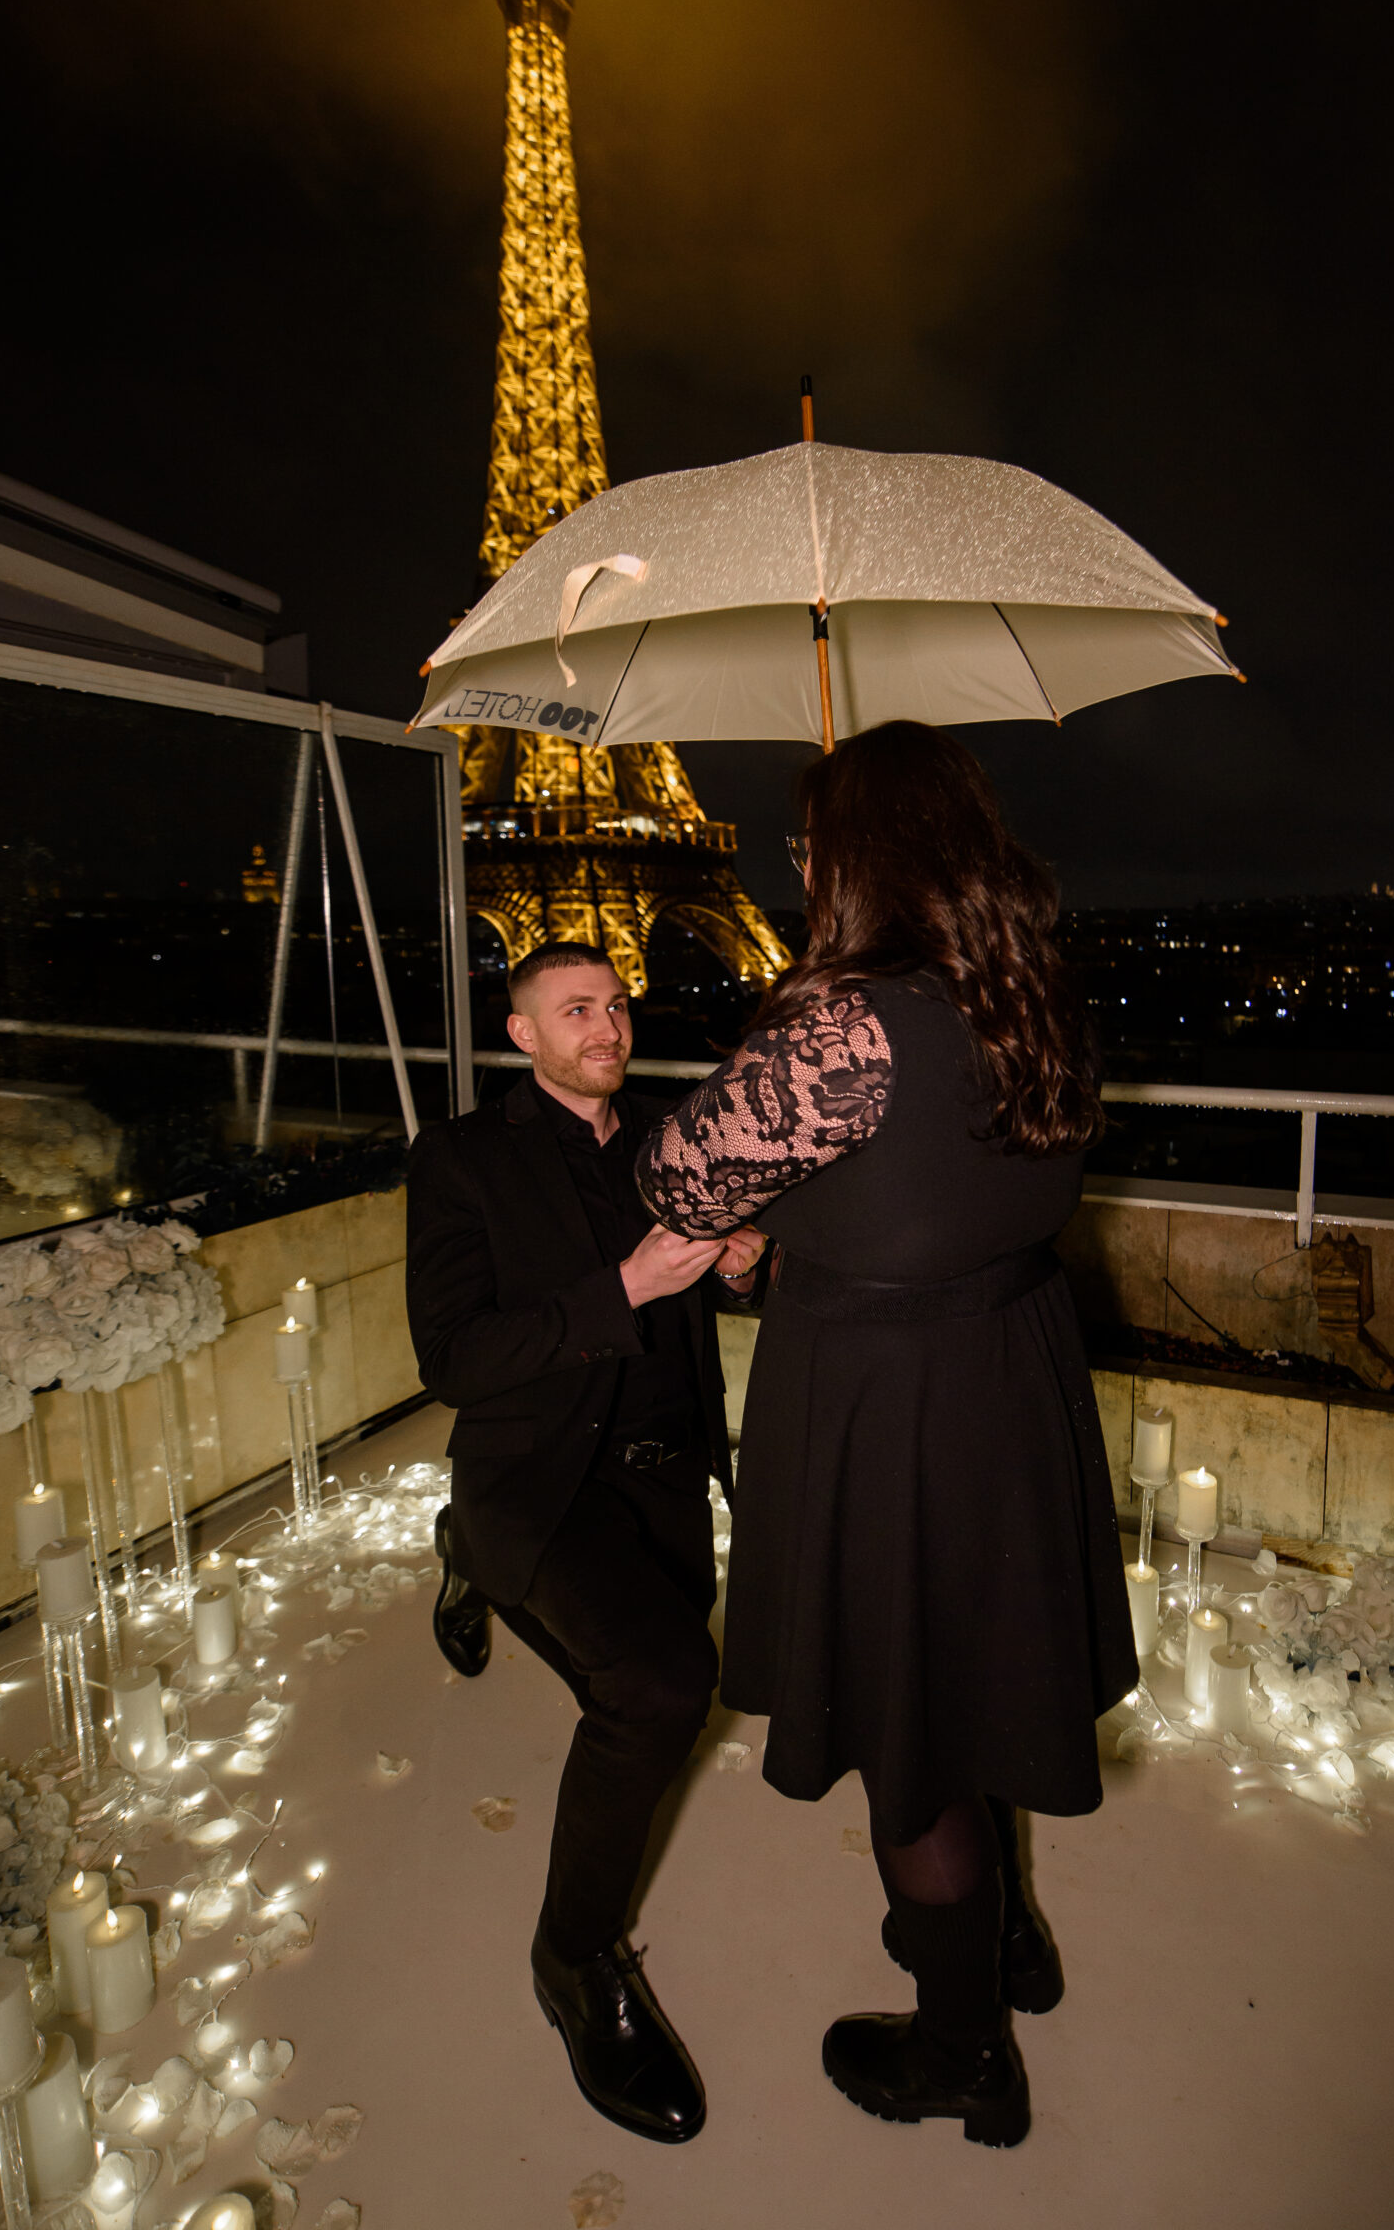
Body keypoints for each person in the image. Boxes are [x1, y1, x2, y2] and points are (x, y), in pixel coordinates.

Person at [636, 720, 1135, 2151]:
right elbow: (927, 1179)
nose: (798, 866)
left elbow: (679, 1177)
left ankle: (964, 2051)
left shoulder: (842, 1030)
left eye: (812, 845)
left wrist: (773, 1040)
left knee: (905, 1727)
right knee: (969, 1672)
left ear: (864, 857)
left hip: (886, 1398)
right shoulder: (1028, 991)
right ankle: (1006, 1939)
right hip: (1007, 1370)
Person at [405, 942, 765, 2145]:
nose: (606, 1026)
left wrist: (740, 1267)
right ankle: (573, 1958)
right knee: (660, 1685)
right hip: (542, 1480)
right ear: (522, 1035)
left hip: (664, 1476)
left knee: (643, 1678)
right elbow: (454, 1358)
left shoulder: (673, 1137)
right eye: (575, 1009)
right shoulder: (461, 1157)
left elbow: (718, 1289)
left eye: (614, 1005)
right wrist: (626, 1284)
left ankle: (465, 1553)